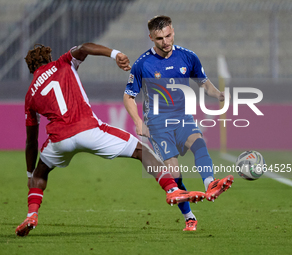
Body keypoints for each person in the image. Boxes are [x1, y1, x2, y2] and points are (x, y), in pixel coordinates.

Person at [15, 43, 206, 237]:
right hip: (88, 129)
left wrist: (29, 174)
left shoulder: (30, 95)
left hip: (59, 140)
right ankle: (172, 189)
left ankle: (31, 215)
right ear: (48, 59)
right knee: (142, 151)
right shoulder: (63, 63)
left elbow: (31, 141)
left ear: (32, 69)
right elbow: (84, 47)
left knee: (41, 172)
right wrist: (115, 54)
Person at [123, 15, 234, 231]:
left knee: (198, 143)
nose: (165, 42)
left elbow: (204, 83)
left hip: (183, 117)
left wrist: (219, 94)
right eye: (159, 38)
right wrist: (138, 122)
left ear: (173, 30)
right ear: (151, 38)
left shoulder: (188, 57)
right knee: (174, 173)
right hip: (157, 123)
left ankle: (209, 184)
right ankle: (189, 217)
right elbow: (128, 96)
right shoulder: (142, 64)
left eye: (168, 35)